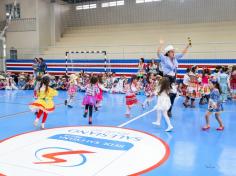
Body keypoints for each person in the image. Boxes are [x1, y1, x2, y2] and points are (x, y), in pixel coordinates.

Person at [157, 39, 191, 116]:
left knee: (174, 94)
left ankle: (169, 109)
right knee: (166, 95)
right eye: (172, 51)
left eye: (173, 51)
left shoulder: (175, 58)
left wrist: (187, 46)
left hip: (173, 78)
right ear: (168, 53)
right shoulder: (164, 58)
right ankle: (164, 109)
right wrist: (161, 44)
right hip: (166, 78)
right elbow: (158, 53)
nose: (173, 52)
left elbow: (182, 54)